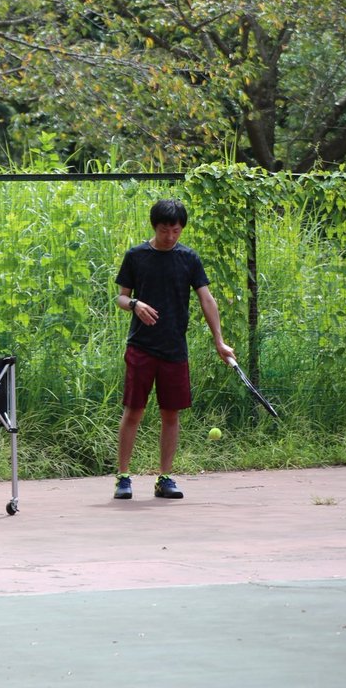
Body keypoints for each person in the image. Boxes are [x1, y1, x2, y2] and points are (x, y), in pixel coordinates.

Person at [113, 199, 234, 500]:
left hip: (174, 348)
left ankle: (164, 477)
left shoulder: (188, 259)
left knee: (171, 415)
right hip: (141, 347)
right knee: (134, 412)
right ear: (155, 227)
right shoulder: (136, 256)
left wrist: (219, 340)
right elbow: (120, 298)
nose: (170, 236)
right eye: (165, 230)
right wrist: (135, 304)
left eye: (176, 231)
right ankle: (123, 478)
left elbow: (207, 300)